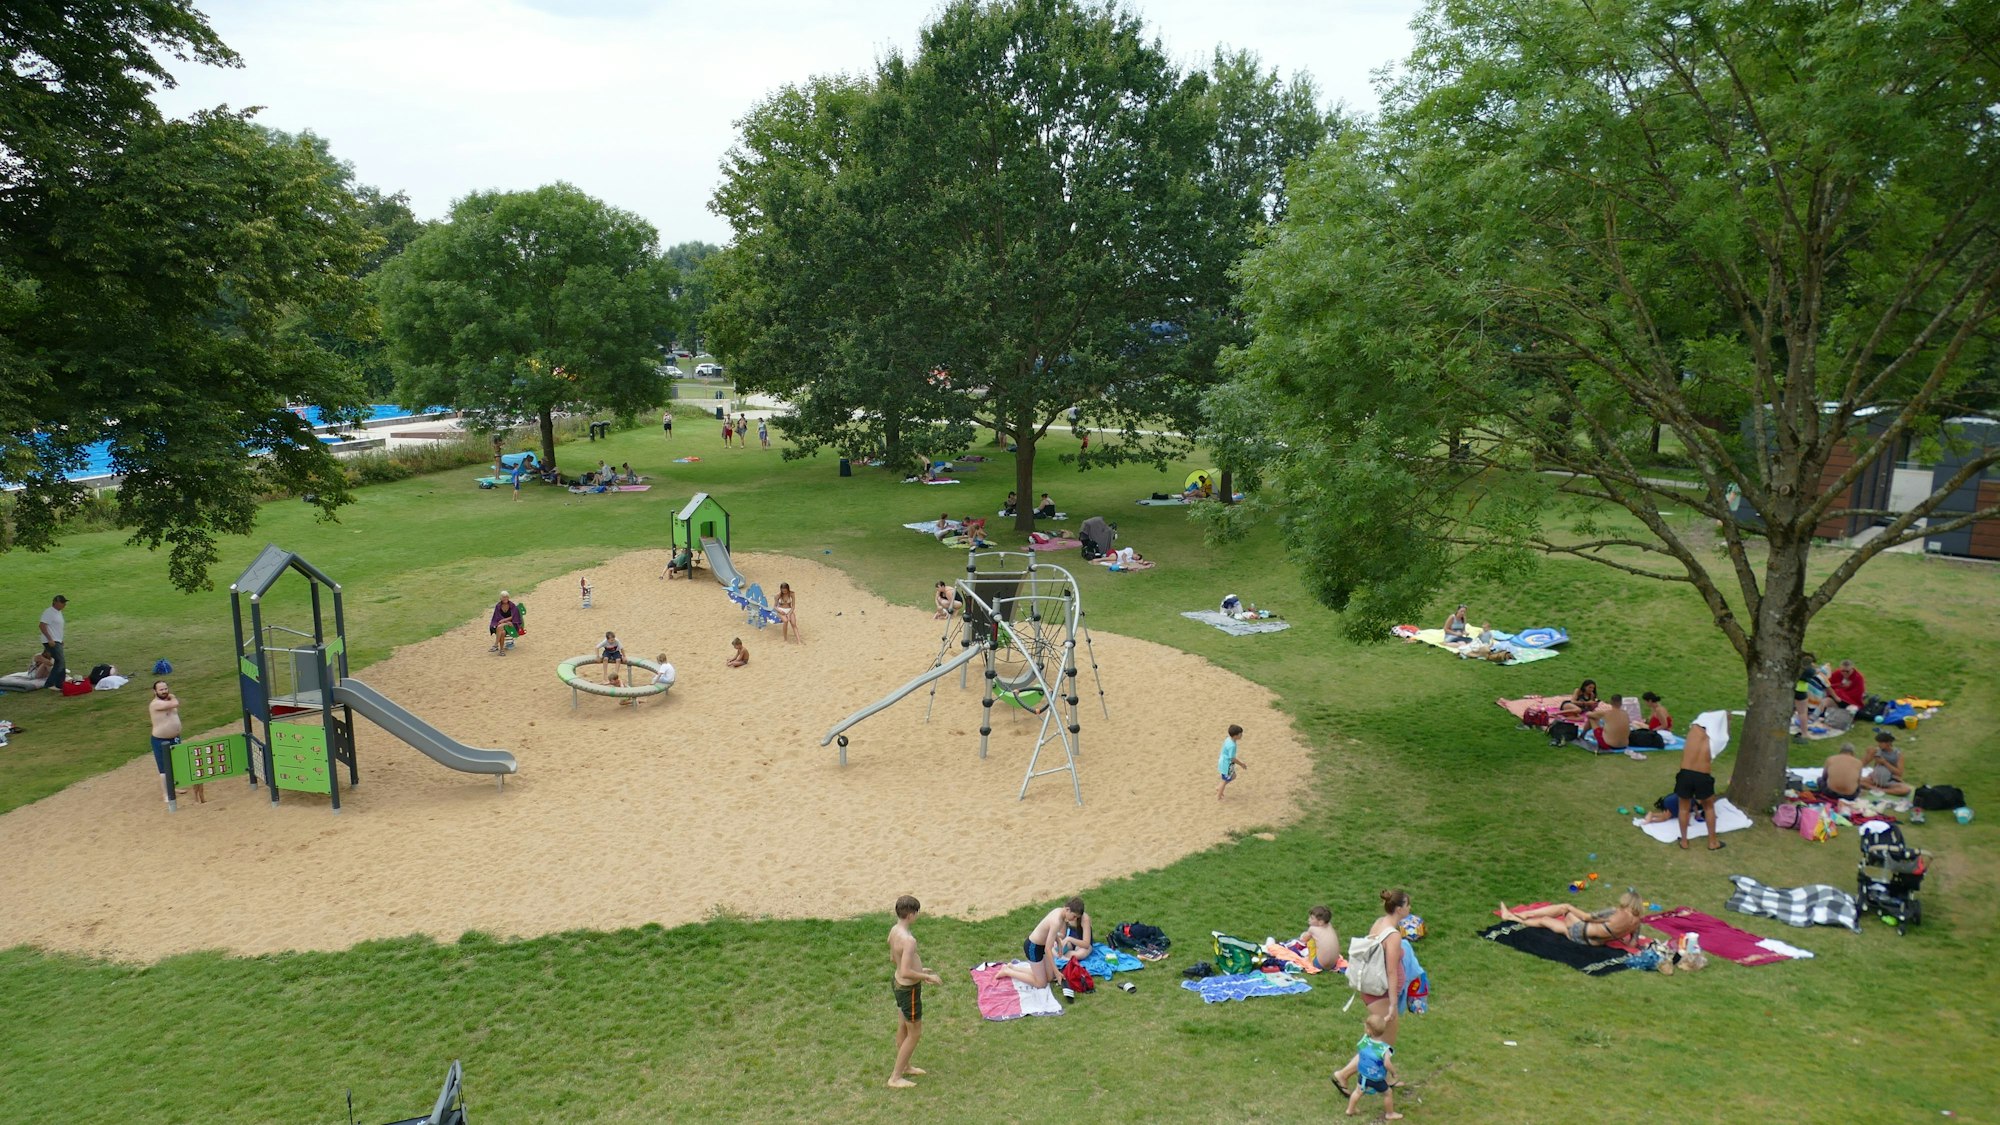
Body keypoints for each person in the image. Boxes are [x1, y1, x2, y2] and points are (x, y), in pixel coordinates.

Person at [888, 894, 942, 1089]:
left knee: (903, 1026)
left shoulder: (894, 931)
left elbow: (894, 958)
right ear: (911, 915)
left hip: (897, 984)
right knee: (915, 1033)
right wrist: (926, 976)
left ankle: (905, 1067)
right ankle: (895, 1077)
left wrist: (919, 970)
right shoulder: (909, 940)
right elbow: (905, 970)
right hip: (908, 989)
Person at [1498, 889, 1648, 946]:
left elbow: (1586, 916)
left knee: (1564, 908)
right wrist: (1617, 934)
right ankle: (1512, 917)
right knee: (1546, 921)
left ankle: (1525, 914)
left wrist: (1570, 907)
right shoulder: (1636, 923)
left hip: (1580, 931)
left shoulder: (1614, 912)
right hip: (1592, 943)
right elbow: (1632, 944)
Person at [995, 898, 1086, 990]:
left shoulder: (1060, 912)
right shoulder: (1057, 921)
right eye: (1074, 916)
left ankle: (1013, 968)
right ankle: (1007, 971)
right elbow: (1048, 949)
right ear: (1067, 910)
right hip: (1033, 947)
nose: (1074, 919)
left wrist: (1058, 941)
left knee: (1049, 978)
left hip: (1041, 945)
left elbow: (1050, 932)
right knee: (1041, 983)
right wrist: (1056, 972)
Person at [1360, 890, 1411, 1044]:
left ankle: (1345, 1070)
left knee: (1378, 1043)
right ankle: (1343, 1070)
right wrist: (1393, 1003)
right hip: (1382, 993)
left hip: (1373, 988)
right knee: (1384, 1045)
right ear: (1399, 909)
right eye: (1408, 904)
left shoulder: (1379, 922)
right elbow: (1391, 971)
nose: (1410, 908)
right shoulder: (1393, 936)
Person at [1676, 711, 1730, 850]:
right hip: (1703, 775)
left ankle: (1684, 841)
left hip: (1685, 773)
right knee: (1709, 807)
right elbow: (1723, 737)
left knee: (1683, 808)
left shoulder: (1692, 732)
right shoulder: (1714, 740)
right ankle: (1712, 842)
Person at [1335, 1012, 1401, 1120]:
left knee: (1357, 1092)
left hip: (1363, 1076)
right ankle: (1390, 1114)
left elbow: (1373, 1028)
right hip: (1377, 1079)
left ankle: (1350, 1109)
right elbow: (1387, 1064)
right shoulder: (1384, 1049)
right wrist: (1394, 1072)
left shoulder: (1365, 1040)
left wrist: (1385, 1019)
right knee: (1388, 1093)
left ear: (1368, 1030)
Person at [148, 679, 183, 807]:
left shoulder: (168, 701)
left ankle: (173, 787)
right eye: (161, 689)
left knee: (176, 764)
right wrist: (172, 696)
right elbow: (176, 703)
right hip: (161, 740)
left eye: (165, 689)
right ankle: (166, 794)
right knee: (164, 769)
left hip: (175, 738)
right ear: (155, 691)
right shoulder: (155, 704)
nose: (164, 691)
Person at [1862, 730, 1912, 796]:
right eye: (1878, 742)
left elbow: (1899, 773)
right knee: (1856, 781)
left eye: (1881, 742)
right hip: (1875, 780)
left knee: (1906, 789)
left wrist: (1884, 762)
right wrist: (1868, 754)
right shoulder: (1877, 751)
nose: (1878, 744)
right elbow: (1862, 764)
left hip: (1889, 781)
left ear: (1888, 743)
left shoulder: (1898, 754)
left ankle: (1880, 790)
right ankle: (1875, 788)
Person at [1298, 905, 1341, 972]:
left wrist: (1303, 936)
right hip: (1333, 964)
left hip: (1319, 964)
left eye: (1312, 918)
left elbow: (1303, 939)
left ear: (1320, 922)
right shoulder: (1329, 925)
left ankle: (1311, 959)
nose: (1309, 919)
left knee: (1311, 940)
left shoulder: (1312, 929)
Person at [38, 594, 67, 688]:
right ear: (55, 602)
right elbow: (42, 625)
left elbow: (56, 627)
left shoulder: (58, 612)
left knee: (60, 661)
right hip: (51, 641)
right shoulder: (49, 612)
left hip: (56, 640)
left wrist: (60, 639)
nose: (64, 605)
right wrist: (50, 639)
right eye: (62, 602)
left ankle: (56, 683)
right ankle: (56, 683)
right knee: (60, 661)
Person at [1216, 724, 1245, 800]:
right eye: (1240, 734)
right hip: (1227, 764)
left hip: (1225, 762)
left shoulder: (1228, 739)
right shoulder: (1232, 746)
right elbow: (1232, 758)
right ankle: (1219, 794)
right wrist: (1241, 764)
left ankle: (1220, 788)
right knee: (1225, 780)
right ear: (1235, 736)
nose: (1241, 735)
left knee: (1233, 776)